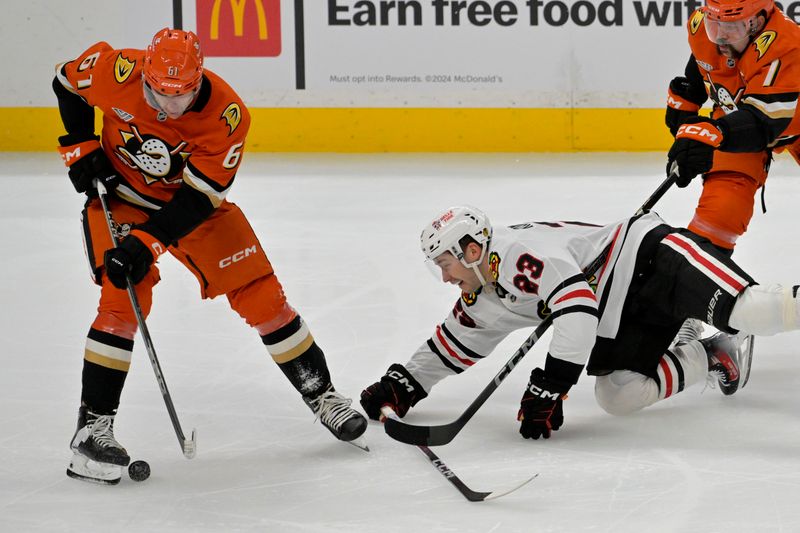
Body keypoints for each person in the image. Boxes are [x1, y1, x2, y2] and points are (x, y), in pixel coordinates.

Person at [53, 28, 367, 484]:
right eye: (156, 92)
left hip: (189, 206)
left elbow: (200, 199)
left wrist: (148, 241)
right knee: (121, 300)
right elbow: (65, 82)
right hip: (119, 197)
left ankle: (323, 396)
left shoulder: (227, 114)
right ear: (144, 74)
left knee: (264, 298)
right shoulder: (116, 69)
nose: (165, 106)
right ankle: (91, 431)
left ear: (198, 82)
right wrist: (80, 146)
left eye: (178, 98)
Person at [360, 206, 800, 439]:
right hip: (619, 305)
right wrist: (404, 385)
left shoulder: (517, 253)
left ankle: (710, 322)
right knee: (619, 395)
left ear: (472, 251)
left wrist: (554, 382)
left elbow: (576, 310)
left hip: (650, 257)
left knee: (753, 311)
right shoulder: (483, 291)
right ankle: (714, 352)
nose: (444, 276)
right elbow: (451, 345)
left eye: (446, 263)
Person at [665, 0, 800, 254]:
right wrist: (685, 132)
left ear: (757, 23)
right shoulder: (701, 29)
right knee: (719, 214)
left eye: (730, 28)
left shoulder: (786, 43)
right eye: (713, 25)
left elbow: (763, 122)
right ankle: (702, 268)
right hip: (737, 117)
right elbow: (700, 71)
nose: (719, 38)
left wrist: (711, 134)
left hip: (785, 119)